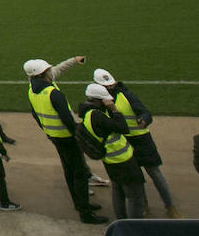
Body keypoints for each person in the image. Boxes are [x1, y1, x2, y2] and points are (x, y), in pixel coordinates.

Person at [23, 56, 108, 224]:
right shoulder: (53, 93)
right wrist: (78, 135)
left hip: (54, 137)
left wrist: (47, 129)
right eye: (48, 70)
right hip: (68, 138)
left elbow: (35, 115)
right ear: (42, 74)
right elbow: (68, 119)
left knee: (69, 170)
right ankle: (85, 213)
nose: (50, 72)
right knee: (80, 173)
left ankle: (79, 204)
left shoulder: (32, 90)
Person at [92, 67, 179, 217]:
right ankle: (144, 204)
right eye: (106, 86)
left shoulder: (126, 95)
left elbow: (145, 112)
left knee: (155, 174)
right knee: (137, 178)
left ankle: (170, 206)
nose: (110, 88)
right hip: (125, 145)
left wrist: (144, 120)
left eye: (110, 85)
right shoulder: (101, 103)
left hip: (142, 141)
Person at [79, 83, 146, 220]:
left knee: (118, 191)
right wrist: (114, 109)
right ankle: (134, 225)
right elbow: (123, 127)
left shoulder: (88, 114)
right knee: (135, 196)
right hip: (122, 160)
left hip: (111, 160)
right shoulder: (97, 116)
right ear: (98, 100)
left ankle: (121, 220)